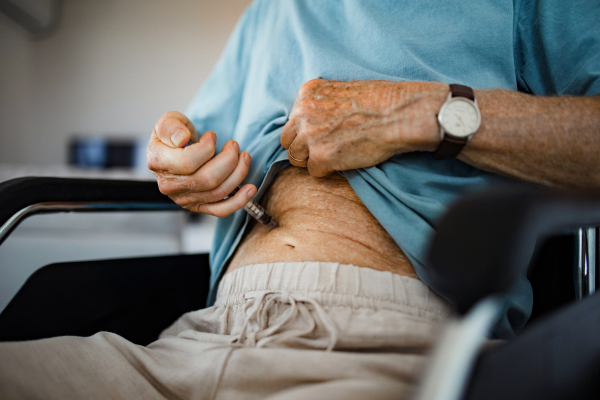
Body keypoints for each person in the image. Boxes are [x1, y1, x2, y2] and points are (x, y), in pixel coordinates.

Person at [1, 0, 599, 399]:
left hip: (388, 345)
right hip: (193, 337)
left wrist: (421, 113)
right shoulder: (271, 11)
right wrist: (175, 157)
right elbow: (186, 144)